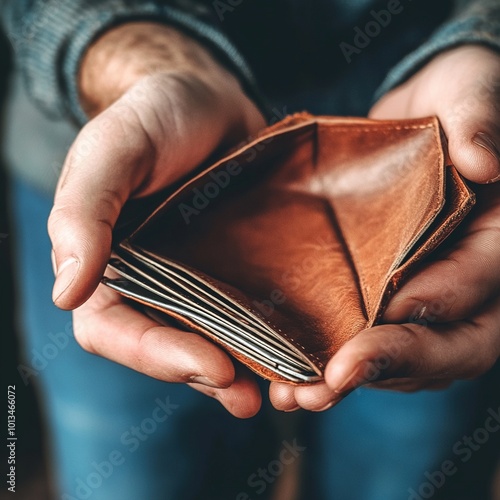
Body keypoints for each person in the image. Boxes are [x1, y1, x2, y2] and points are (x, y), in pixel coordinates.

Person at [2, 1, 499, 498]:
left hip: (428, 175)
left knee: (408, 475)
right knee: (130, 477)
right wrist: (129, 54)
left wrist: (486, 37)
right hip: (137, 183)